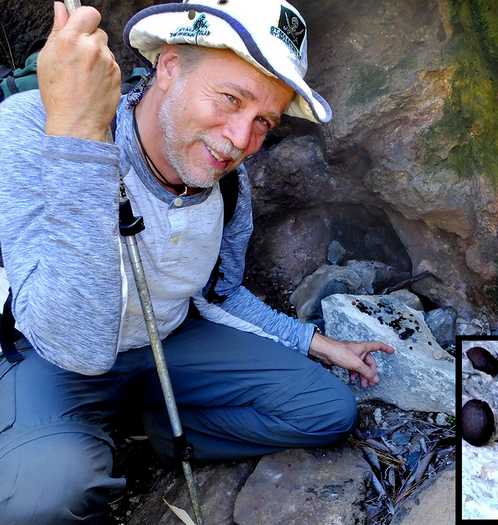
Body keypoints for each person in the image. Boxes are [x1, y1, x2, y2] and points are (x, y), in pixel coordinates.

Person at [0, 1, 394, 522]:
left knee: (326, 410)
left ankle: (154, 431)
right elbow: (77, 344)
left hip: (170, 341)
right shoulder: (32, 129)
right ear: (169, 65)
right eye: (229, 98)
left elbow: (220, 292)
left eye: (263, 122)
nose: (240, 140)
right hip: (48, 354)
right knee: (47, 493)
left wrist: (319, 344)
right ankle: (71, 436)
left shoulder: (226, 180)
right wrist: (78, 134)